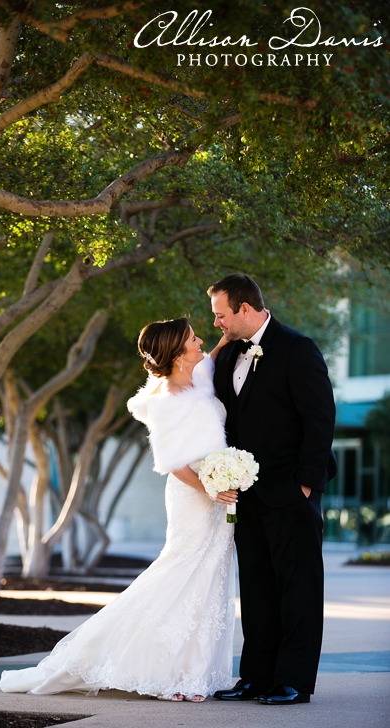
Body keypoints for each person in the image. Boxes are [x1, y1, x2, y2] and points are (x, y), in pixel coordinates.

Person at [0, 318, 238, 701]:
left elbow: (208, 360)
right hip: (193, 495)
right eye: (194, 339)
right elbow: (172, 464)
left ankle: (194, 674)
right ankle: (162, 673)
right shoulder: (165, 402)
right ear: (177, 354)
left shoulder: (201, 374)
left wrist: (227, 340)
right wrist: (210, 489)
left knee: (211, 580)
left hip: (217, 496)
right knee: (178, 576)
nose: (201, 342)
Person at [207, 274, 335, 706]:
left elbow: (320, 420)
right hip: (246, 496)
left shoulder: (298, 349)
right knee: (257, 589)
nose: (217, 323)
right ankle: (256, 677)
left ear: (245, 309)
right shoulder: (227, 358)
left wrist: (305, 485)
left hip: (291, 492)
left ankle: (294, 680)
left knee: (297, 587)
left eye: (221, 315)